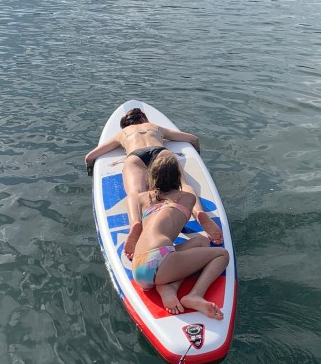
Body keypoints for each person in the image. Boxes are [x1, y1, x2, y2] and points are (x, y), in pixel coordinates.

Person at [85, 107, 223, 258]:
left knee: (135, 193)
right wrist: (197, 156)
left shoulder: (123, 133)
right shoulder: (155, 127)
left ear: (126, 125)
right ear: (143, 119)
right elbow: (193, 139)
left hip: (136, 156)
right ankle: (199, 213)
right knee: (182, 185)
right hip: (160, 152)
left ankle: (135, 224)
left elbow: (90, 157)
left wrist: (91, 170)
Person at [131, 151, 228, 318]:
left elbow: (134, 202)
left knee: (201, 242)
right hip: (160, 259)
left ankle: (168, 287)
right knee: (222, 254)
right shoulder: (187, 197)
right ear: (177, 176)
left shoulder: (142, 199)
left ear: (152, 177)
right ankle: (194, 295)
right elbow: (186, 188)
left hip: (138, 267)